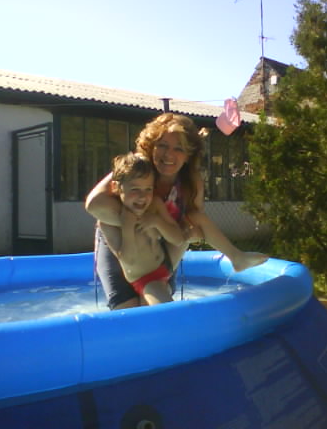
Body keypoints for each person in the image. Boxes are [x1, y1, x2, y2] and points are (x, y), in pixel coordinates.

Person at [85, 112, 268, 310]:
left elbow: (193, 227)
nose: (169, 154)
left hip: (158, 251)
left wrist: (168, 227)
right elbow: (93, 203)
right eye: (162, 145)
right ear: (151, 146)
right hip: (120, 241)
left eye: (178, 148)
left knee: (157, 308)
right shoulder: (138, 168)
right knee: (127, 311)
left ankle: (236, 257)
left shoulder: (190, 183)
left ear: (188, 154)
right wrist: (134, 220)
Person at [105, 152, 183, 305]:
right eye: (135, 189)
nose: (143, 196)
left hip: (164, 268)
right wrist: (127, 227)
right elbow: (129, 260)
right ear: (116, 187)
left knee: (194, 228)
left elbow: (178, 239)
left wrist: (157, 222)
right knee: (167, 312)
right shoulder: (108, 223)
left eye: (148, 189)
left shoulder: (155, 205)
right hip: (144, 279)